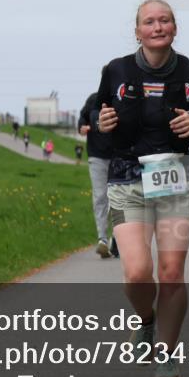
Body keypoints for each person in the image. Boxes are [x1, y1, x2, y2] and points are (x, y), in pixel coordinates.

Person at [95, 0, 189, 377]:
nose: (158, 27)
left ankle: (166, 355)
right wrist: (101, 121)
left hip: (174, 177)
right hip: (126, 178)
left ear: (174, 28)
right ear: (138, 31)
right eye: (149, 22)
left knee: (171, 273)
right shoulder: (115, 70)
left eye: (164, 20)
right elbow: (98, 115)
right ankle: (146, 321)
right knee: (137, 273)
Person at [79, 91, 117, 259]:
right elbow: (83, 117)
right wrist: (82, 127)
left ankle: (117, 238)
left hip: (119, 156)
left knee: (118, 198)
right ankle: (102, 239)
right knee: (100, 196)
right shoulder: (93, 100)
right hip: (97, 156)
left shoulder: (121, 98)